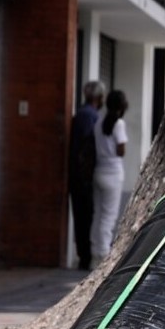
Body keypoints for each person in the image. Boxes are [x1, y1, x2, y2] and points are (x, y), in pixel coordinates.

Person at [68, 80, 104, 271]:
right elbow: (87, 147)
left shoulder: (82, 115)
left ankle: (85, 254)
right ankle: (86, 256)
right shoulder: (90, 117)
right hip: (84, 176)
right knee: (86, 216)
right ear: (99, 97)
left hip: (79, 174)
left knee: (83, 216)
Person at [91, 89, 129, 265]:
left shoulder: (99, 122)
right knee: (109, 216)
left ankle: (96, 251)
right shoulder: (118, 124)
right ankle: (104, 254)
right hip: (113, 173)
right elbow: (121, 150)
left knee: (98, 214)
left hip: (98, 171)